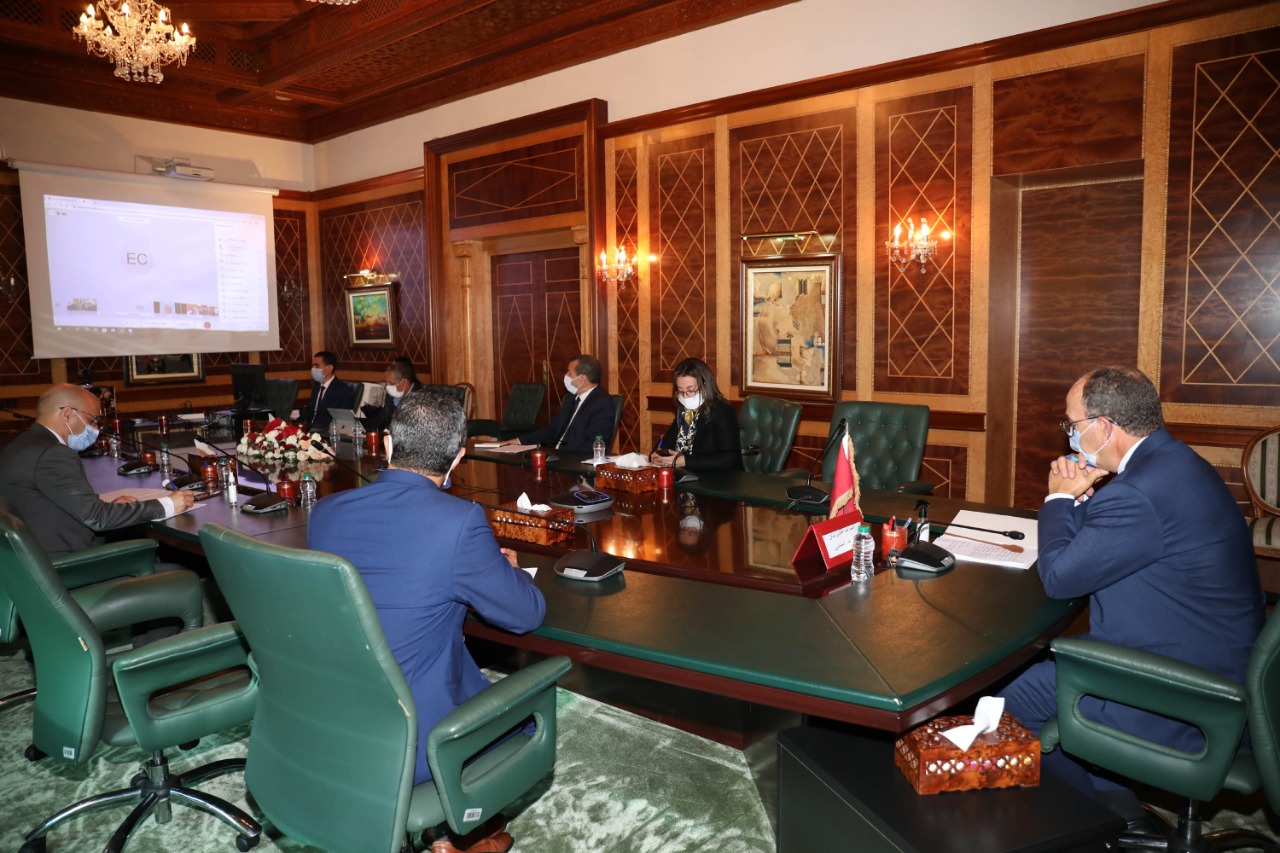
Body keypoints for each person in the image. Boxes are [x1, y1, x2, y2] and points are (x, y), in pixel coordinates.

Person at [999, 365, 1264, 826]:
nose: (1069, 436)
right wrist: (1080, 500)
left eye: (1072, 424)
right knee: (1047, 665)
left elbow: (1059, 577)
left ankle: (1102, 820)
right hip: (1218, 664)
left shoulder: (1138, 492)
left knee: (1009, 701)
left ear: (1105, 427)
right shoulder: (1176, 462)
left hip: (1188, 693)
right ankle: (1114, 796)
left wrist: (1058, 499)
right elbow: (1109, 540)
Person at [307, 390, 544, 853]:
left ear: (388, 445)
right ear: (457, 459)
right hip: (417, 737)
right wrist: (509, 571)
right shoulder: (461, 521)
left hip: (331, 715)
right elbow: (525, 615)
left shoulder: (326, 512)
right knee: (527, 716)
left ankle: (445, 835)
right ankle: (451, 832)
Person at [0, 384, 194, 557]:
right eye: (92, 420)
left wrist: (108, 507)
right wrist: (167, 504)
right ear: (67, 414)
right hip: (64, 564)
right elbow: (97, 519)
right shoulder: (53, 454)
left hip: (30, 561)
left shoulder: (20, 445)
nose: (96, 428)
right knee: (174, 567)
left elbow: (51, 502)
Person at [501, 354, 614, 454]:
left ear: (582, 379)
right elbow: (552, 430)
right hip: (555, 455)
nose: (566, 375)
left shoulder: (602, 403)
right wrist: (517, 441)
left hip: (573, 461)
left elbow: (594, 444)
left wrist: (561, 457)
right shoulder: (570, 399)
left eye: (570, 373)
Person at [650, 357, 741, 472]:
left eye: (691, 390)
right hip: (684, 476)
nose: (685, 396)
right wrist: (658, 455)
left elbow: (731, 459)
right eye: (680, 391)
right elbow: (666, 445)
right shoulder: (684, 412)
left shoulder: (722, 411)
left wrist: (685, 461)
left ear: (705, 386)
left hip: (715, 478)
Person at [362, 357, 421, 434]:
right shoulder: (391, 396)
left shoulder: (421, 398)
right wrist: (358, 424)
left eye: (392, 383)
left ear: (404, 383)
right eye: (387, 383)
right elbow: (379, 419)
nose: (388, 387)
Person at [299, 350, 357, 428]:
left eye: (317, 366)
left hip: (327, 430)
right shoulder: (316, 386)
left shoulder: (342, 390)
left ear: (329, 368)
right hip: (310, 427)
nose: (313, 369)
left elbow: (344, 420)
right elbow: (311, 411)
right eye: (312, 366)